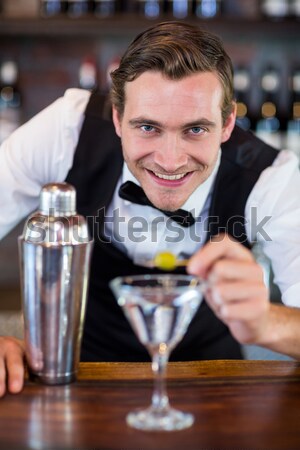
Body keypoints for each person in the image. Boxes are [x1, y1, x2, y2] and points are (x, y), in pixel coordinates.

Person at [0, 21, 300, 397]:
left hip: (213, 382)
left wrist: (267, 324)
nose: (170, 161)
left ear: (226, 124)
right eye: (147, 127)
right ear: (117, 119)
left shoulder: (270, 175)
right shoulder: (67, 130)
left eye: (195, 129)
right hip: (77, 375)